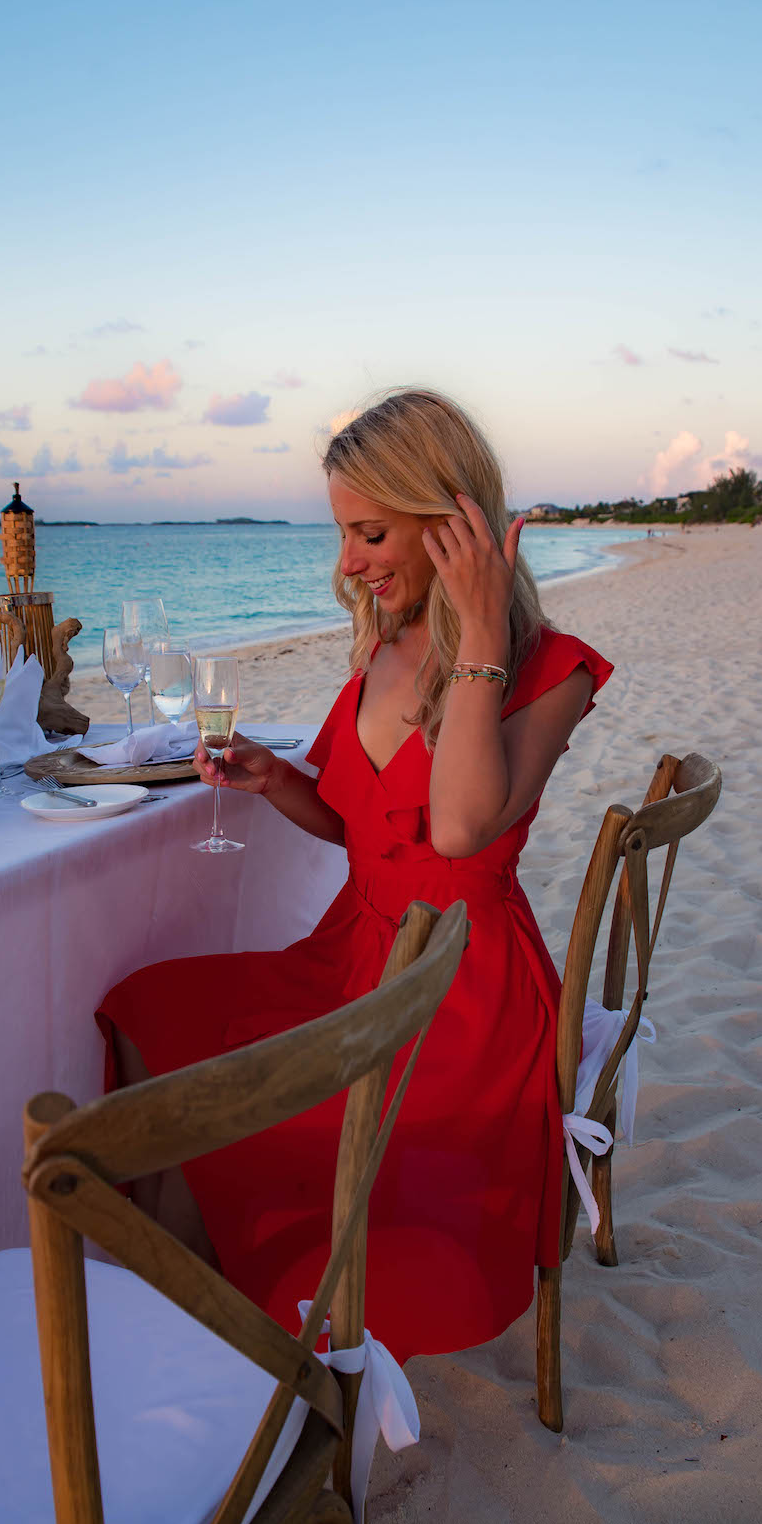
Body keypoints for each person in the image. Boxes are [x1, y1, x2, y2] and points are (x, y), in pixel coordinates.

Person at [96, 390, 612, 1361]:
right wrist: (275, 778)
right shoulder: (381, 640)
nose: (347, 564)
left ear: (450, 518)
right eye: (342, 534)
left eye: (369, 531)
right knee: (149, 1011)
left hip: (454, 998)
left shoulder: (553, 671)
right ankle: (195, 1311)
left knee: (248, 1115)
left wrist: (484, 636)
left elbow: (456, 829)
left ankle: (214, 1341)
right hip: (350, 950)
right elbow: (359, 825)